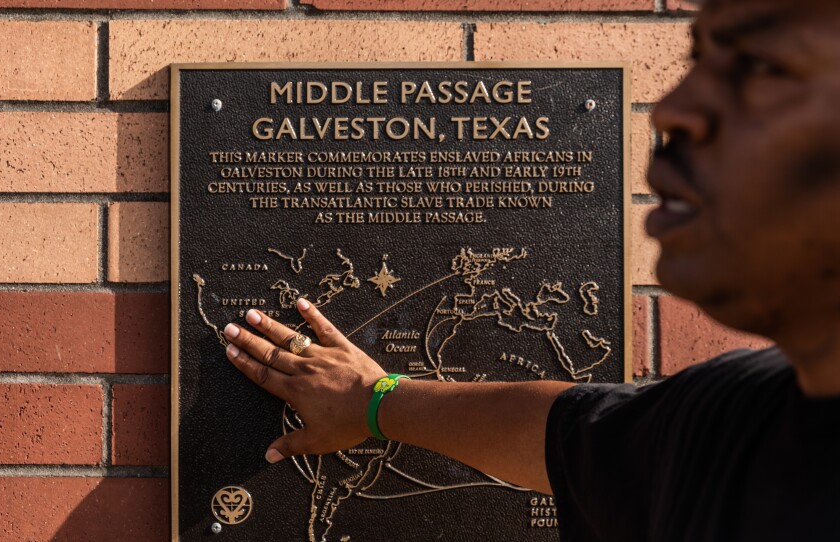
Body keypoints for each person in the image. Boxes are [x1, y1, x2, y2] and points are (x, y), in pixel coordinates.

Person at [220, 0, 840, 538]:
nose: (674, 110)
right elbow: (565, 435)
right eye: (700, 63)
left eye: (762, 71)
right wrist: (372, 399)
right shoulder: (740, 415)